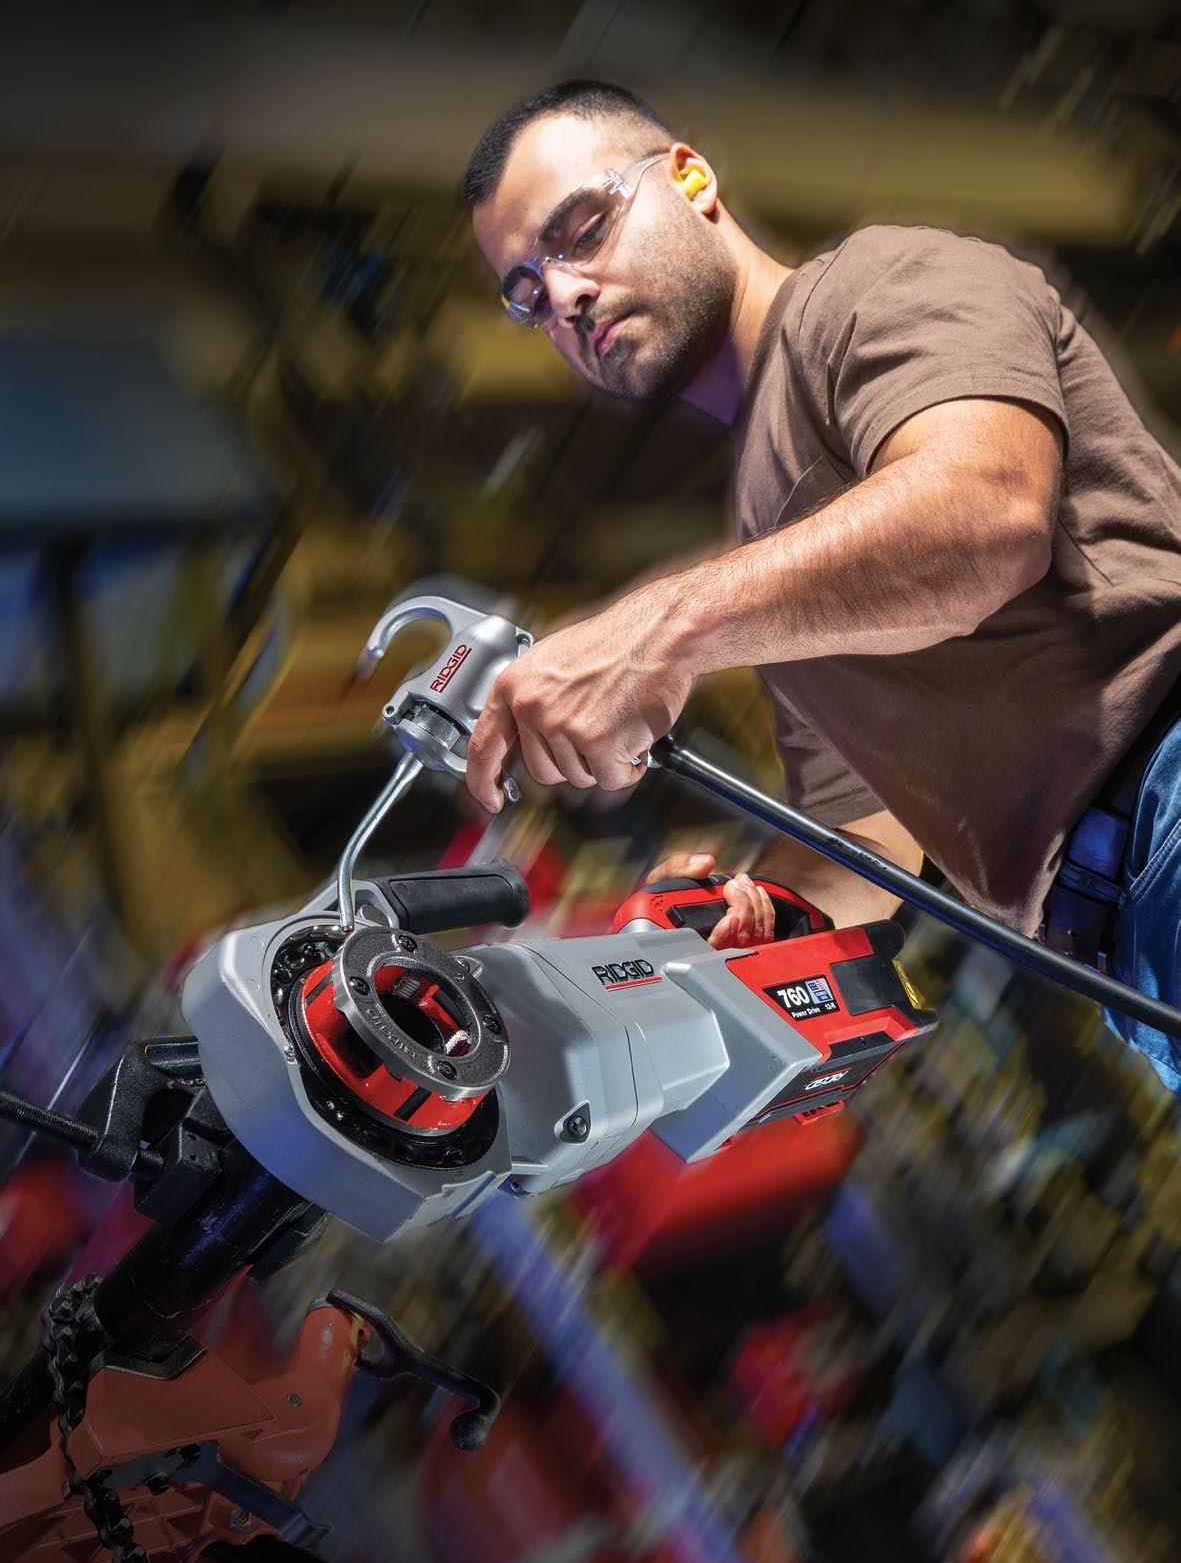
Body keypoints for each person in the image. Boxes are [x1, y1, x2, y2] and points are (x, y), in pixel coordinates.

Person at [458, 79, 1181, 1093]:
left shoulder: (876, 284)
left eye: (581, 230)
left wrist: (658, 628)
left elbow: (988, 512)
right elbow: (873, 836)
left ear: (690, 179)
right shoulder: (772, 536)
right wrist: (768, 914)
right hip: (1123, 949)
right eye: (530, 294)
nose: (566, 295)